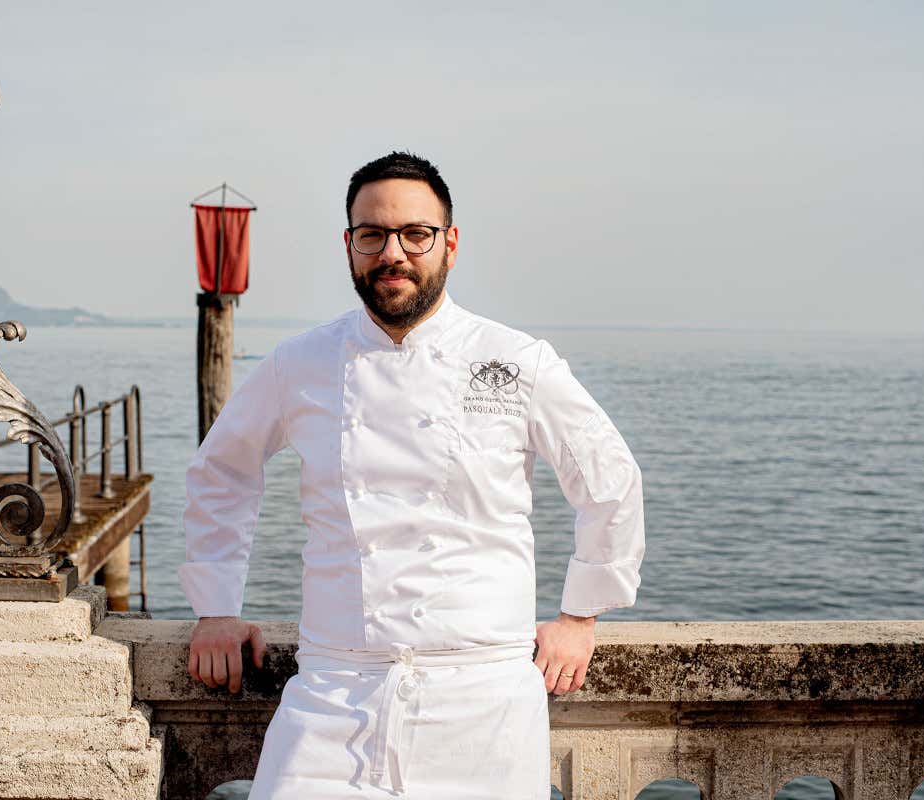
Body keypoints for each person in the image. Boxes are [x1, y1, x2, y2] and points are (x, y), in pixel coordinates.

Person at [179, 151, 645, 799]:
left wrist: (583, 614)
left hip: (484, 690)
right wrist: (215, 608)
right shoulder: (300, 363)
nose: (392, 252)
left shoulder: (513, 360)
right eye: (371, 235)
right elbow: (221, 475)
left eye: (415, 234)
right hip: (333, 688)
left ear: (449, 244)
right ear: (349, 246)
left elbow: (608, 478)